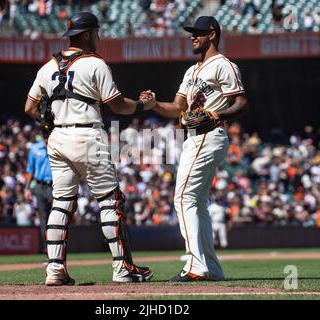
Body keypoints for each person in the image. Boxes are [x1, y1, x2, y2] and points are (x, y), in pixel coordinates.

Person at [24, 12, 155, 286]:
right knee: (110, 200)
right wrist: (144, 105)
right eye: (96, 32)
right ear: (86, 35)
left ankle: (54, 270)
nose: (98, 37)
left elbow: (30, 108)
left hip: (57, 137)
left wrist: (48, 121)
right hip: (87, 134)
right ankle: (122, 268)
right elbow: (118, 105)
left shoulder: (47, 66)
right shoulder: (95, 64)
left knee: (61, 203)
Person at [141, 16, 248, 281]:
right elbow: (177, 108)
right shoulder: (191, 71)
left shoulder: (224, 65)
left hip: (208, 134)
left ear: (212, 34)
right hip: (193, 137)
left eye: (198, 33)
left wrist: (219, 116)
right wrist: (154, 104)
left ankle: (195, 266)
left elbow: (241, 102)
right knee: (197, 202)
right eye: (191, 33)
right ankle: (211, 267)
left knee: (183, 198)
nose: (193, 37)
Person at [25, 135, 53, 252]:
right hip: (39, 186)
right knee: (43, 219)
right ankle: (47, 249)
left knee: (55, 218)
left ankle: (57, 249)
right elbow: (30, 169)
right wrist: (27, 188)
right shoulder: (35, 148)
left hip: (54, 186)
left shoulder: (58, 146)